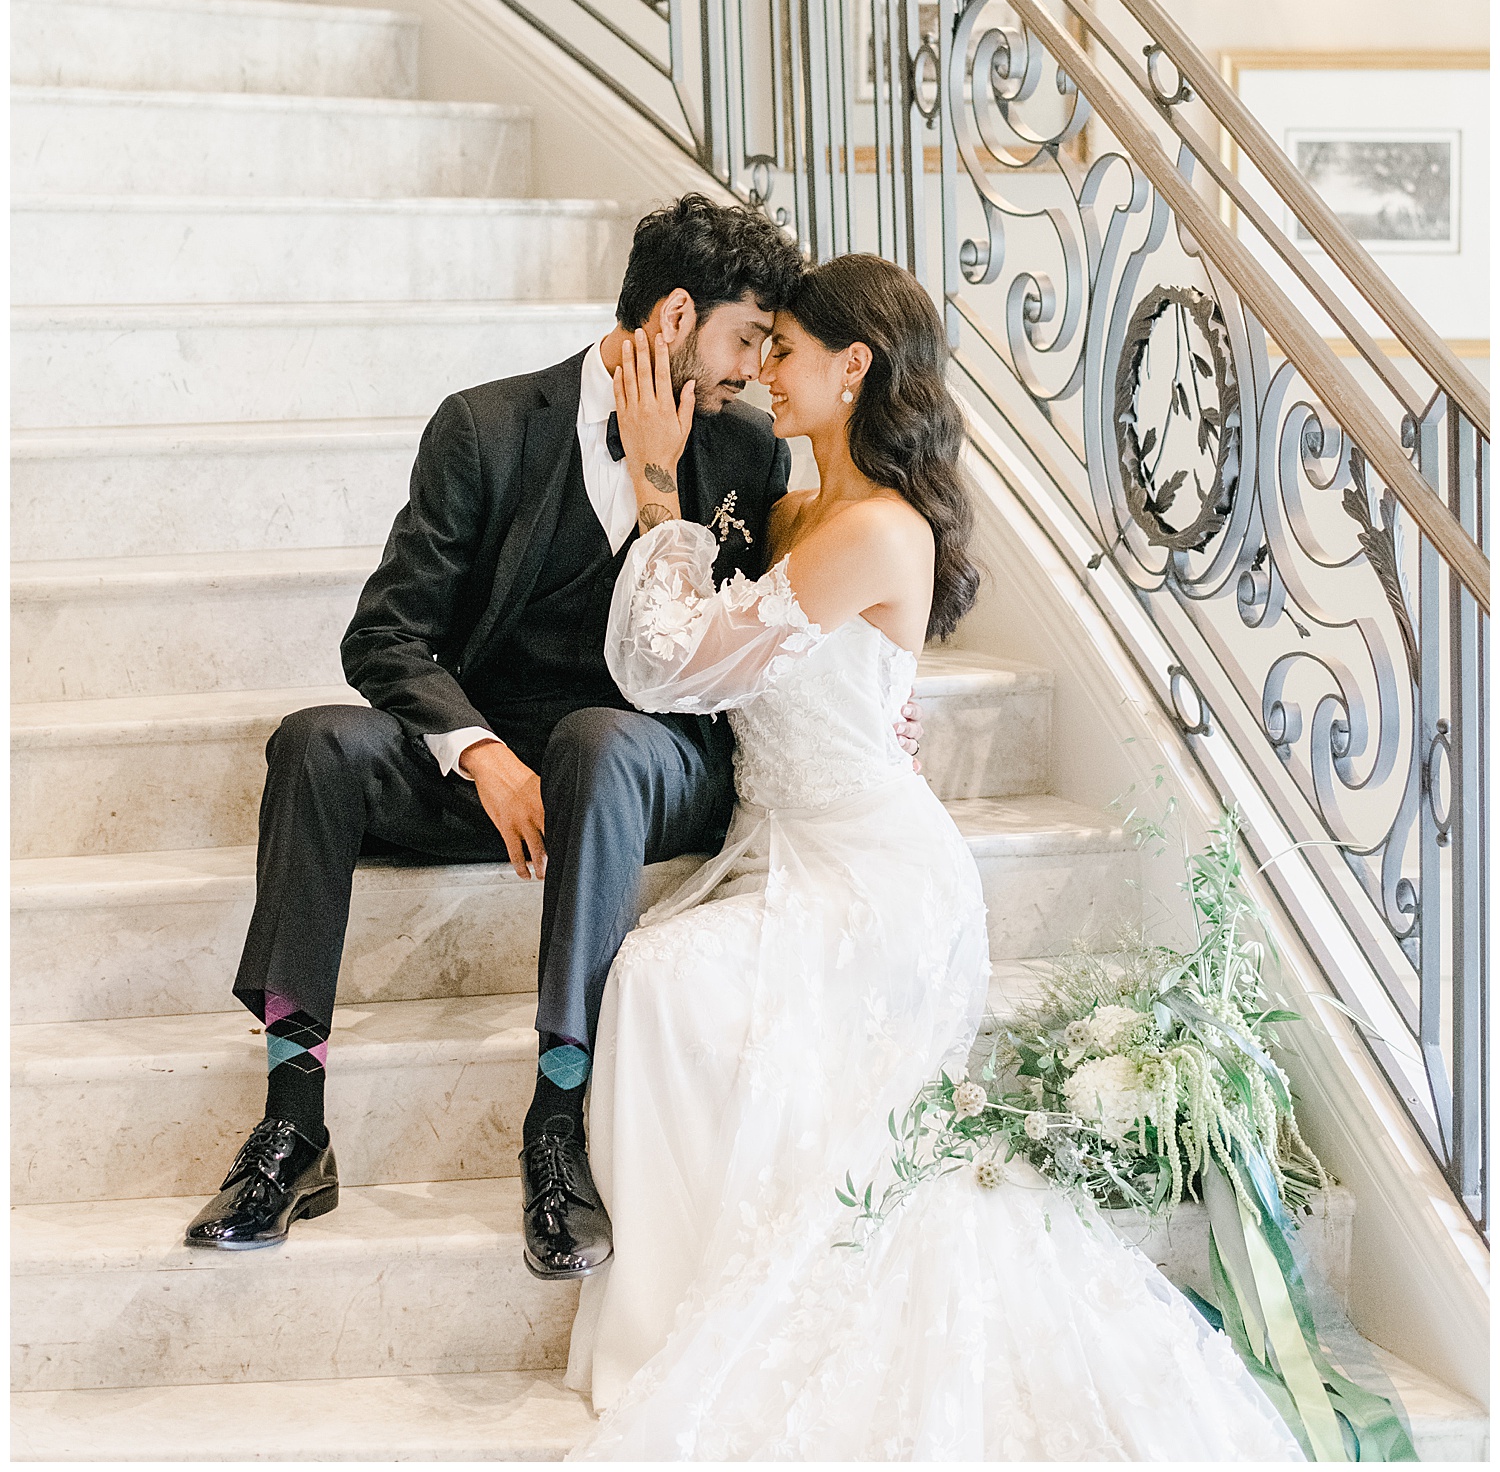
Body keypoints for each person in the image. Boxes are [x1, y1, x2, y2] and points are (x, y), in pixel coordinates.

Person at [564, 252, 1304, 1461]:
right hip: (792, 849)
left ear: (853, 367)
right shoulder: (790, 512)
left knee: (659, 983)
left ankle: (698, 1313)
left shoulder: (878, 528)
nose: (767, 371)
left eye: (786, 350)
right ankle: (691, 1293)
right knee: (664, 988)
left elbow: (674, 662)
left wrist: (657, 483)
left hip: (878, 884)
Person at [183, 196, 920, 1273]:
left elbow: (791, 628)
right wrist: (482, 755)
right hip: (502, 764)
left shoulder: (749, 453)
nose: (753, 369)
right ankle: (293, 1123)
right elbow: (385, 635)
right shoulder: (484, 427)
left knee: (597, 740)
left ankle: (557, 1125)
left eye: (771, 347)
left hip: (645, 762)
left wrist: (884, 699)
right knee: (314, 744)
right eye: (745, 339)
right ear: (676, 316)